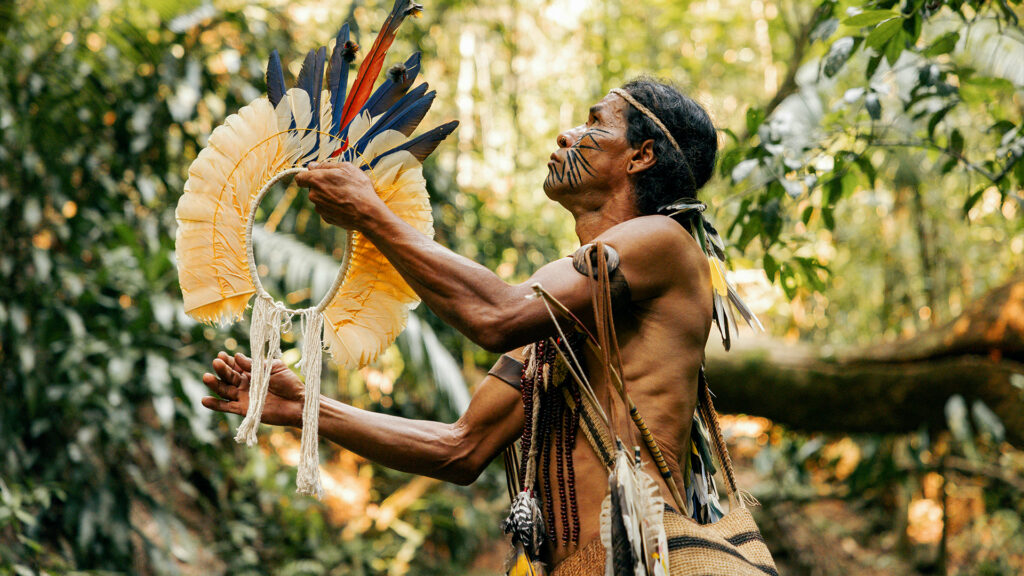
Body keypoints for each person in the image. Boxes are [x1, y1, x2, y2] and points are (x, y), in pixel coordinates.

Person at [201, 77, 720, 572]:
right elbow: (460, 447)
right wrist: (304, 408)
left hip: (646, 562)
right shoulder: (561, 313)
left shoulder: (664, 241)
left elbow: (495, 315)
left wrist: (371, 213)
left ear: (641, 155)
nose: (569, 134)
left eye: (595, 123)